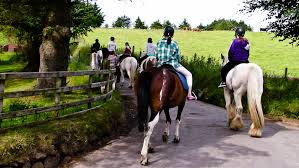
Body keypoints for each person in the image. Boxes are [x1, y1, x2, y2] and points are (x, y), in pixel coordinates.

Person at [156, 26, 197, 100]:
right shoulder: (174, 43)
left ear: (164, 33)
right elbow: (178, 57)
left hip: (160, 65)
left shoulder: (159, 42)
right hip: (173, 64)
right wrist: (179, 61)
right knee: (189, 75)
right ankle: (189, 94)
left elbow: (156, 56)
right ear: (172, 34)